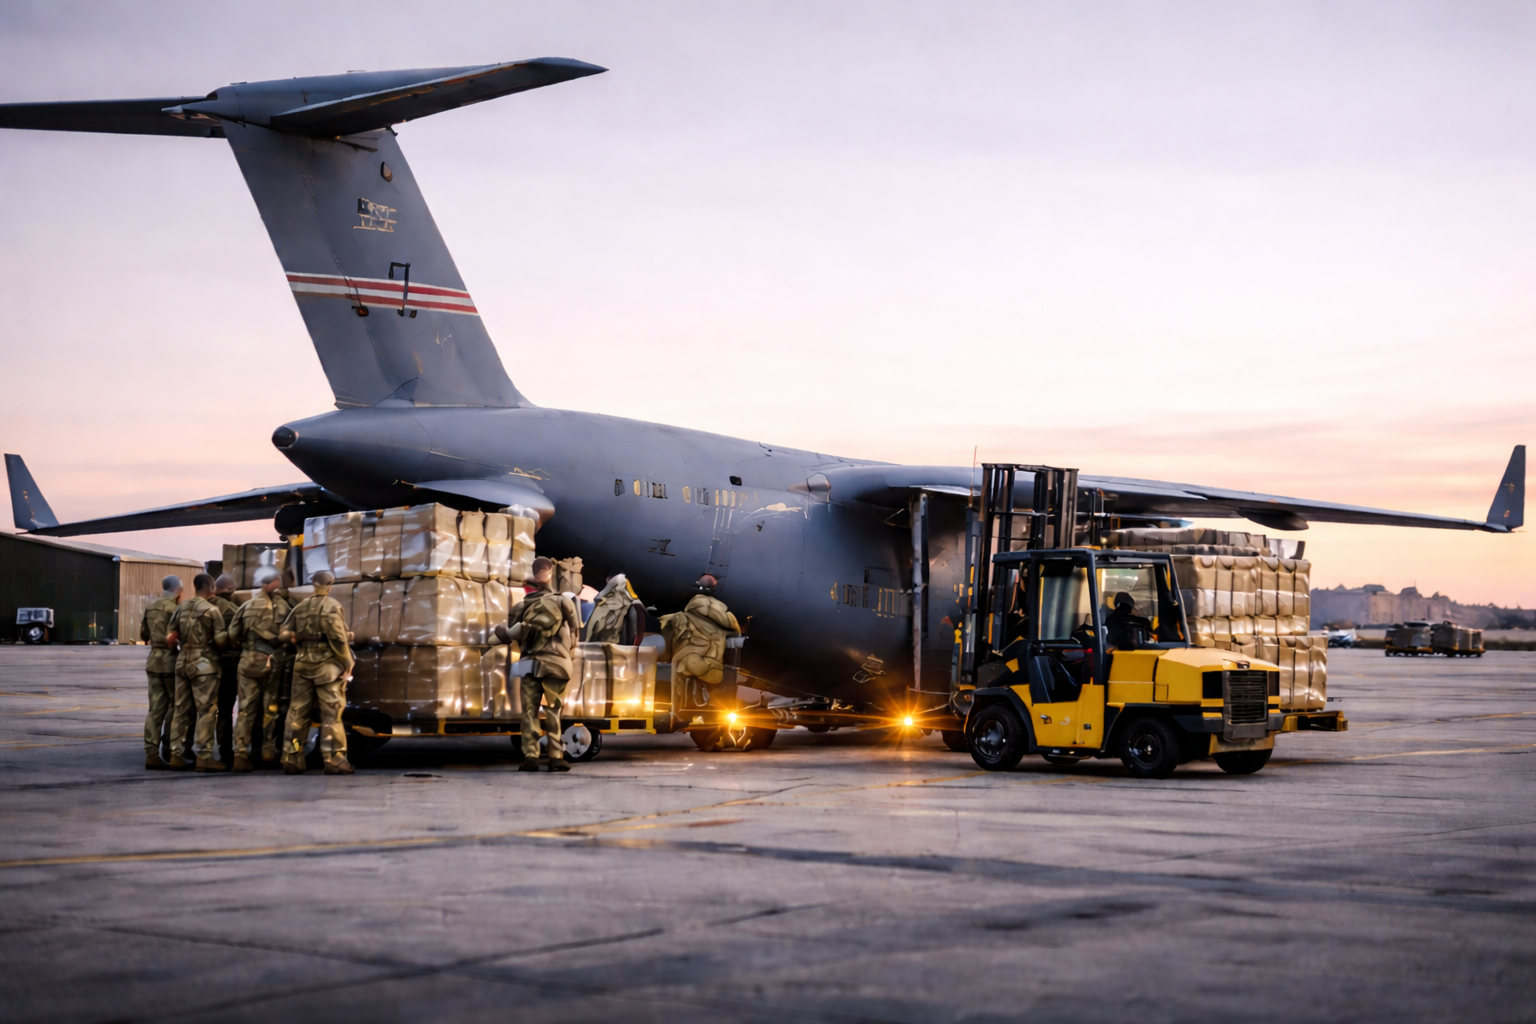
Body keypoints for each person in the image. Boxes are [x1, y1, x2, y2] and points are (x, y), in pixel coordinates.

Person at [499, 556, 581, 772]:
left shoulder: (521, 605)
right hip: (556, 664)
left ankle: (531, 757)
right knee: (553, 711)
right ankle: (555, 757)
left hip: (529, 663)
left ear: (533, 575)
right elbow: (575, 634)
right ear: (551, 573)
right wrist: (567, 653)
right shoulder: (564, 602)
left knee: (529, 712)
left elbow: (512, 634)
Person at [278, 569, 354, 775]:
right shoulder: (332, 607)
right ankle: (334, 759)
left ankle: (292, 758)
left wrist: (300, 640)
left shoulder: (300, 607)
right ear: (330, 585)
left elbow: (283, 635)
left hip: (302, 664)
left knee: (296, 714)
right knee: (331, 715)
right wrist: (347, 662)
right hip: (326, 666)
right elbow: (338, 639)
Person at [226, 567, 290, 771]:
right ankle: (268, 752)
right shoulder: (282, 607)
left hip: (247, 661)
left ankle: (241, 754)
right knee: (270, 708)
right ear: (273, 584)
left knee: (245, 710)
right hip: (271, 660)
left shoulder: (246, 606)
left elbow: (232, 635)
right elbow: (288, 636)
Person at [165, 573, 230, 772]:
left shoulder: (181, 607)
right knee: (206, 710)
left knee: (180, 709)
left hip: (182, 661)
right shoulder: (212, 610)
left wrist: (181, 650)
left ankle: (176, 754)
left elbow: (170, 637)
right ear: (211, 586)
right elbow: (220, 641)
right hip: (204, 664)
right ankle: (204, 755)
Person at [661, 574, 741, 710]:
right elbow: (737, 640)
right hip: (715, 669)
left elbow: (665, 631)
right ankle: (710, 701)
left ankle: (680, 708)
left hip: (694, 665)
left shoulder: (682, 616)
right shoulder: (729, 616)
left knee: (678, 664)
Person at [139, 575, 183, 770]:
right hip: (171, 661)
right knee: (174, 707)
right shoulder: (176, 609)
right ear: (178, 589)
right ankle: (170, 748)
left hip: (154, 661)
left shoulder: (151, 607)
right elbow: (181, 636)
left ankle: (151, 753)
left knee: (155, 710)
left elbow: (144, 635)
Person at [210, 573, 243, 766]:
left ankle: (217, 749)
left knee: (216, 710)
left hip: (207, 664)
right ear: (231, 590)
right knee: (238, 709)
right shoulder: (232, 609)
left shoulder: (198, 606)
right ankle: (232, 751)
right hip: (231, 663)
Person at [584, 573, 644, 645]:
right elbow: (601, 595)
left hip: (618, 642)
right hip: (600, 642)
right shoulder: (602, 607)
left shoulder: (621, 580)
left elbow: (601, 594)